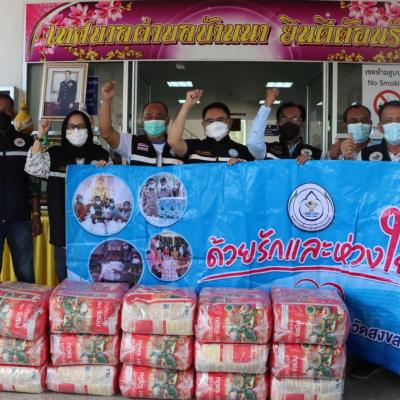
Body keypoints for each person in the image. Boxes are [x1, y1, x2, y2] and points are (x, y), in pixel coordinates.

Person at [25, 110, 109, 282]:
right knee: (64, 280)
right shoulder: (55, 154)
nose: (76, 131)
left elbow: (110, 187)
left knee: (95, 279)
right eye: (71, 127)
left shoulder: (100, 154)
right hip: (63, 231)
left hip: (93, 232)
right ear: (64, 130)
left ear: (88, 129)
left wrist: (106, 171)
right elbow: (32, 167)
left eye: (80, 126)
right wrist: (40, 135)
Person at [0, 93, 42, 283]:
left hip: (20, 220)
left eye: (5, 110)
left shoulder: (25, 142)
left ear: (14, 112)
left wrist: (36, 215)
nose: (1, 114)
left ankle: (28, 304)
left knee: (26, 276)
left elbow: (33, 181)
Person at [99, 81, 183, 166]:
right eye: (149, 117)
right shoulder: (131, 143)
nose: (153, 120)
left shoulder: (180, 147)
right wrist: (107, 100)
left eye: (159, 117)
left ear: (167, 120)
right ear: (142, 121)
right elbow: (106, 133)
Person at [168, 89, 254, 163]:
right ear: (203, 124)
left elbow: (252, 174)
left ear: (230, 122)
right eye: (210, 121)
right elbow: (173, 141)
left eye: (220, 119)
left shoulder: (243, 151)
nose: (215, 124)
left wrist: (242, 167)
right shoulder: (193, 147)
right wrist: (187, 105)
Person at [246, 88, 322, 164]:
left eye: (294, 119)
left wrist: (312, 164)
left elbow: (324, 169)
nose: (289, 122)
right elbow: (253, 143)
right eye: (284, 119)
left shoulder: (316, 154)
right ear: (277, 125)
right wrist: (267, 104)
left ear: (302, 124)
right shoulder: (266, 150)